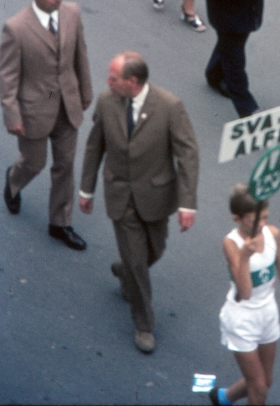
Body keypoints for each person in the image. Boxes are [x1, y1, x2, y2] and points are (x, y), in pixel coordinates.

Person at [79, 51, 199, 354]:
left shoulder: (169, 106)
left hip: (155, 195)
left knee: (154, 250)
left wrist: (187, 203)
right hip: (120, 194)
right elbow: (95, 146)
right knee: (137, 262)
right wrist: (86, 189)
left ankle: (124, 271)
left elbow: (187, 155)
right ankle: (144, 324)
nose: (108, 82)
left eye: (114, 78)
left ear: (132, 82)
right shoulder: (107, 102)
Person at [0, 0, 92, 250]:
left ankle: (60, 224)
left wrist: (85, 94)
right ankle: (14, 180)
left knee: (65, 165)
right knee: (34, 163)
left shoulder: (72, 13)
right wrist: (12, 115)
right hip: (33, 111)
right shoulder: (16, 28)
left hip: (67, 105)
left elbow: (81, 56)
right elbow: (7, 77)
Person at [211, 184, 280, 406]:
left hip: (268, 313)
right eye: (254, 220)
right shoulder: (231, 244)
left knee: (265, 381)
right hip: (241, 318)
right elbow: (246, 292)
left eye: (265, 218)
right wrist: (244, 257)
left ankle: (224, 397)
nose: (261, 225)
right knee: (258, 388)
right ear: (237, 219)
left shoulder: (273, 234)